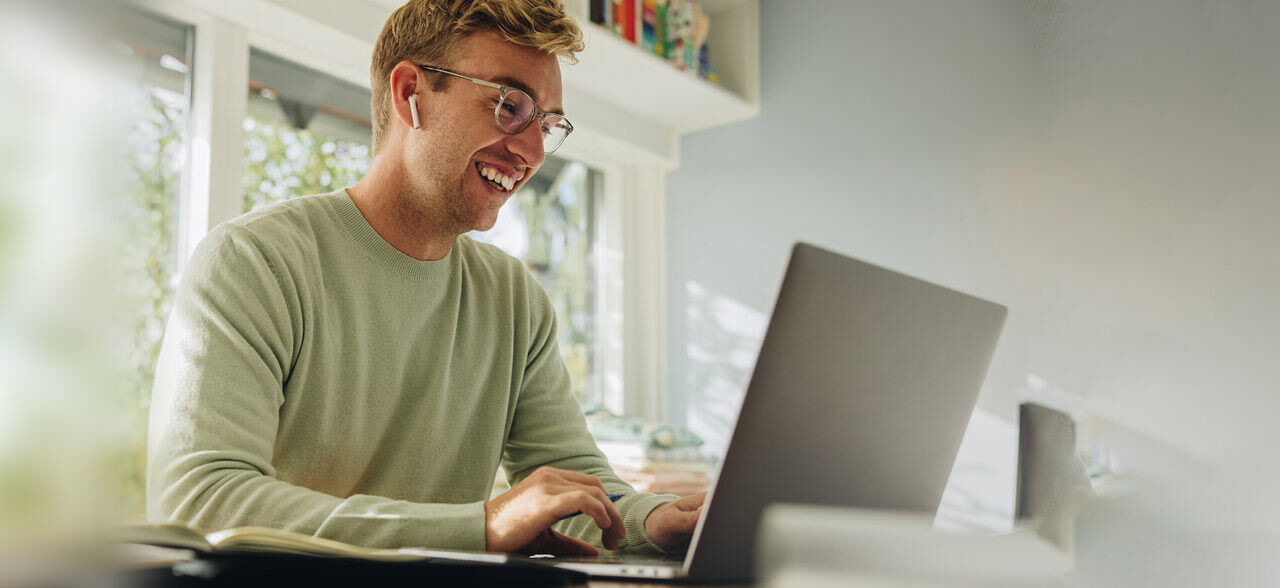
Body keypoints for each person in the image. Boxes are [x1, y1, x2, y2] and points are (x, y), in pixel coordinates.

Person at [146, 0, 704, 556]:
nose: (534, 152)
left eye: (548, 125)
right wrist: (480, 527)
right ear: (410, 92)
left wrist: (655, 519)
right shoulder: (254, 261)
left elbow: (574, 480)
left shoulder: (515, 301)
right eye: (509, 105)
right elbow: (200, 501)